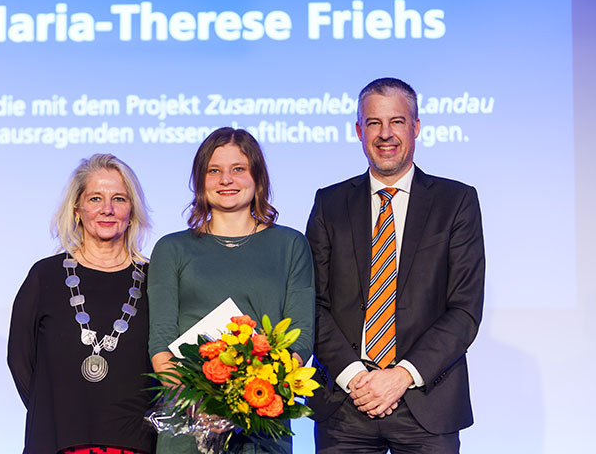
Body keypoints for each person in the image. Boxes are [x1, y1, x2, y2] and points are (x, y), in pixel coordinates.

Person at [306, 78, 485, 453]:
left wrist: (401, 376)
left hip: (427, 401)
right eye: (373, 123)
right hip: (345, 403)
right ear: (358, 130)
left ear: (416, 127)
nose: (385, 134)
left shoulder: (457, 201)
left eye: (397, 121)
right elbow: (313, 306)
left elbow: (464, 310)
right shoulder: (330, 203)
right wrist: (357, 377)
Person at [148, 127, 315, 454]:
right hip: (189, 427)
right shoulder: (172, 248)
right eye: (214, 171)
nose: (226, 179)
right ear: (200, 181)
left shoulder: (290, 245)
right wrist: (203, 407)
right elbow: (161, 341)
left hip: (262, 426)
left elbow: (301, 335)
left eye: (238, 169)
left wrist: (244, 404)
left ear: (258, 178)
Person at [8, 153, 156, 454]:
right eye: (95, 199)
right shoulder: (44, 276)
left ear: (132, 211)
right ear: (77, 209)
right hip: (58, 442)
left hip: (135, 445)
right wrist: (54, 414)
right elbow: (20, 360)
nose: (107, 210)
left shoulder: (156, 279)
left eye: (119, 199)